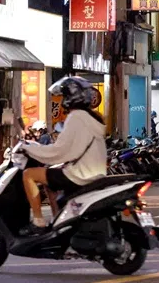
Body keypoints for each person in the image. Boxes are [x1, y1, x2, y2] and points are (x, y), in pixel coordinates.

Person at [20, 77, 107, 235]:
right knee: (49, 181)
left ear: (71, 98)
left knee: (29, 175)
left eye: (63, 97)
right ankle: (58, 221)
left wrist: (29, 149)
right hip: (92, 172)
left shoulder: (76, 117)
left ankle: (38, 222)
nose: (61, 101)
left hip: (79, 175)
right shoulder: (91, 118)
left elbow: (59, 151)